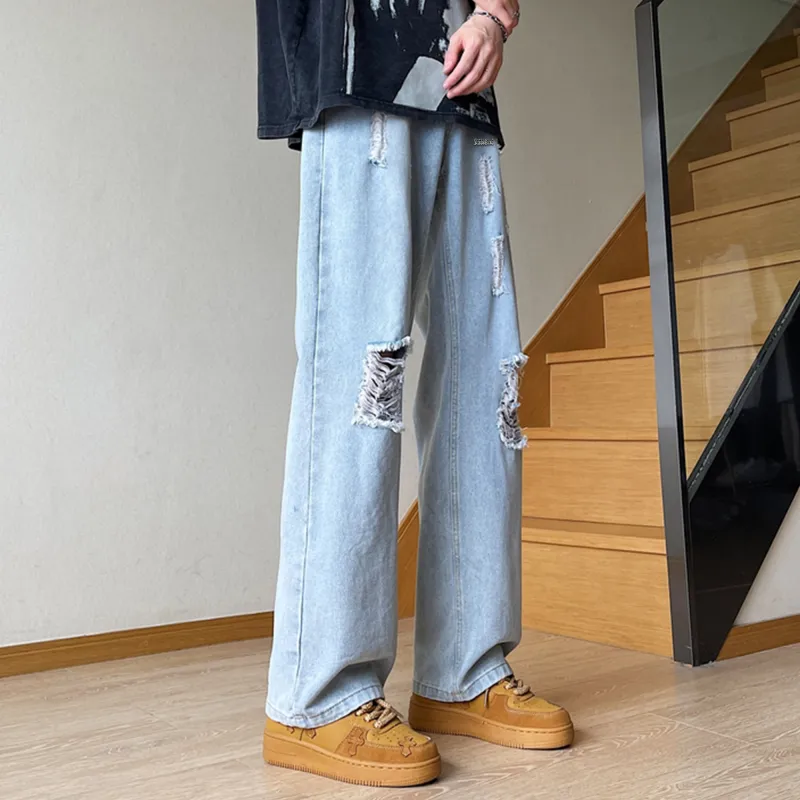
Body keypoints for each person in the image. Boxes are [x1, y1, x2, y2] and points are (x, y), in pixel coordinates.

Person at [255, 0, 574, 787]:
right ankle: (319, 692)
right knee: (362, 365)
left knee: (486, 375)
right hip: (355, 59)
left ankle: (465, 668)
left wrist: (494, 15)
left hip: (460, 74)